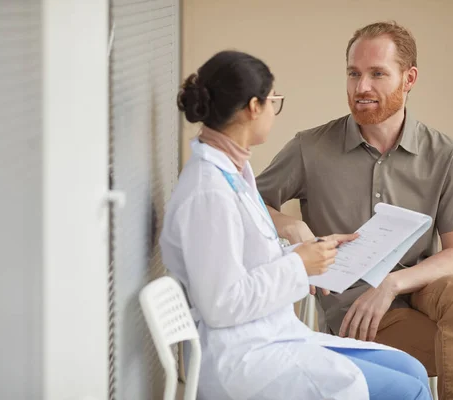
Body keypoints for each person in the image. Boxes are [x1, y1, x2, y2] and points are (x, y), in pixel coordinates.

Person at [160, 50, 432, 400]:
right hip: (243, 358)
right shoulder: (208, 192)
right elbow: (222, 303)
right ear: (253, 108)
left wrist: (310, 253)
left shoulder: (231, 176)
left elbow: (246, 261)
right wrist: (299, 264)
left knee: (412, 369)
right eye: (274, 100)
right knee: (409, 390)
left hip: (268, 337)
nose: (275, 110)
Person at [256, 21, 453, 399]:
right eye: (354, 73)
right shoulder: (310, 148)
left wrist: (392, 284)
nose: (361, 88)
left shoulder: (446, 154)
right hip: (355, 310)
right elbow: (248, 203)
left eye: (377, 74)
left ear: (409, 78)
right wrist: (291, 227)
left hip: (421, 288)